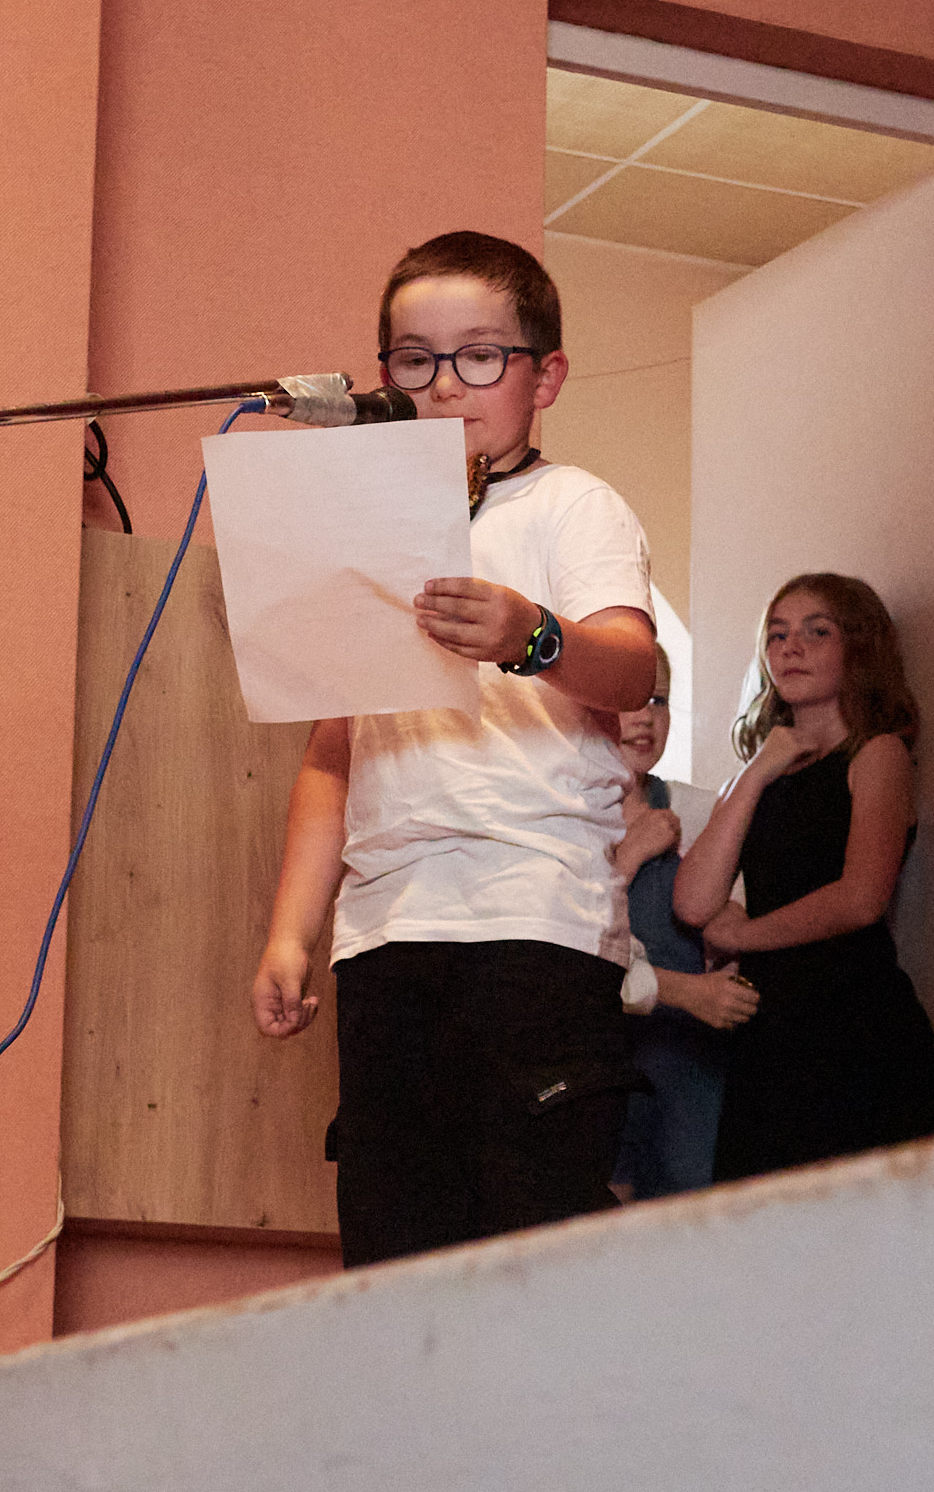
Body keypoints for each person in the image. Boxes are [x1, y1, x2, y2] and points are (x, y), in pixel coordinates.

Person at [249, 230, 659, 1267]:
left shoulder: (573, 505)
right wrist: (293, 933)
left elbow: (632, 669)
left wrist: (534, 635)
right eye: (414, 359)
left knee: (526, 1246)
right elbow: (333, 753)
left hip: (532, 916)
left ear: (544, 377)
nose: (445, 384)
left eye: (479, 356)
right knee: (395, 1246)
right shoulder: (370, 527)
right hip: (385, 933)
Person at [672, 573, 934, 1181]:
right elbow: (693, 902)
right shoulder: (759, 773)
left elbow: (860, 899)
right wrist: (759, 769)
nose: (790, 647)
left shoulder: (878, 754)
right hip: (767, 1030)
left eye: (817, 632)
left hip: (854, 1024)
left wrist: (743, 935)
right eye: (778, 635)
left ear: (859, 648)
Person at [610, 644, 755, 1201]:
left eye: (659, 700)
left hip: (690, 1066)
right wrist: (630, 856)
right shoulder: (565, 817)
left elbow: (732, 921)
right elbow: (574, 948)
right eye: (629, 699)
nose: (646, 717)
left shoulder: (697, 810)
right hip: (603, 1059)